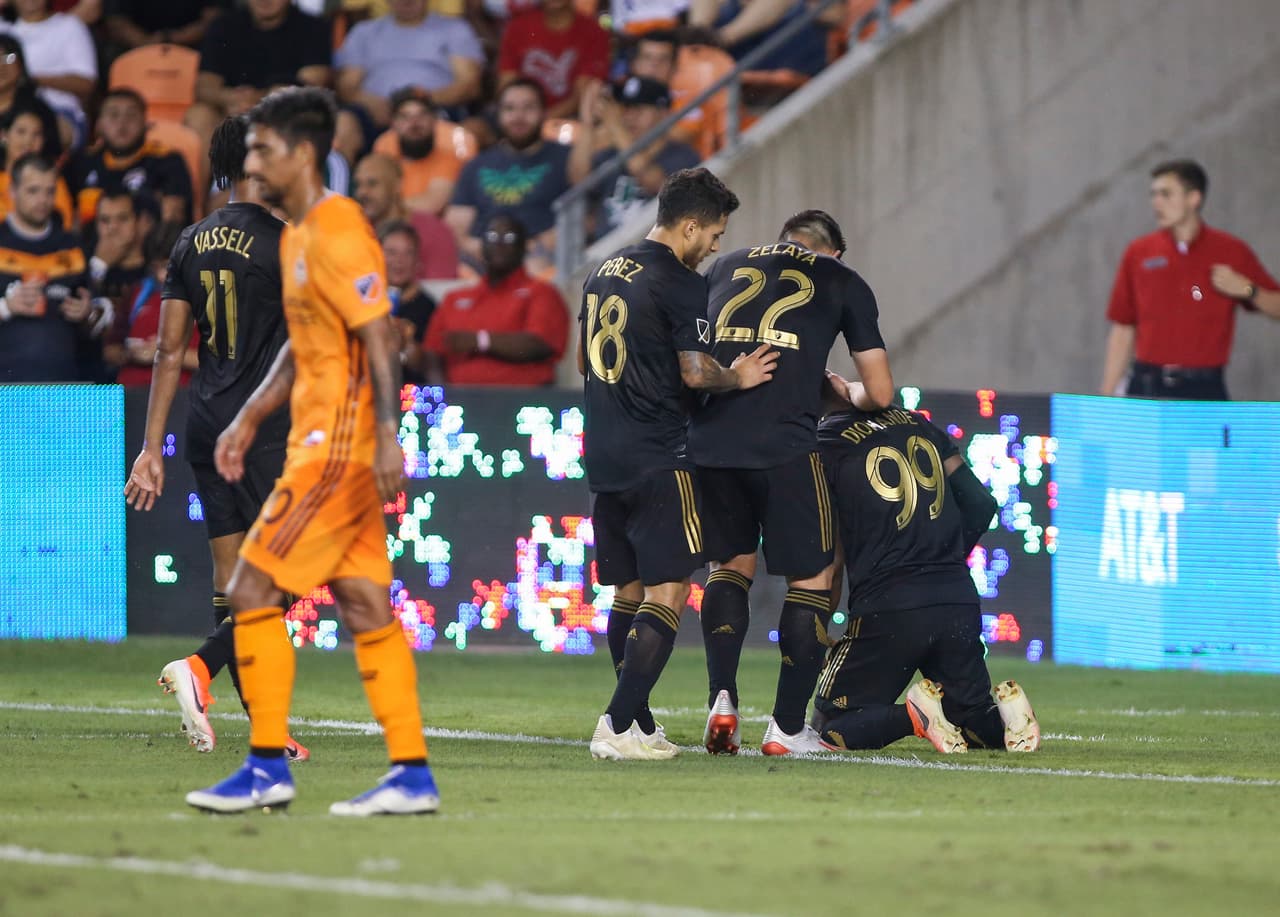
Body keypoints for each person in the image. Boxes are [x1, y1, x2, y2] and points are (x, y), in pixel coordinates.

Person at [184, 86, 438, 815]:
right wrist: (249, 416)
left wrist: (389, 432)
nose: (250, 159)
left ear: (299, 153)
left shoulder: (340, 229)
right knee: (365, 606)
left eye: (262, 147)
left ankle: (266, 766)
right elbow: (305, 343)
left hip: (335, 451)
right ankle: (412, 775)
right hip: (319, 441)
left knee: (253, 589)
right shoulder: (295, 236)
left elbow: (378, 334)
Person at [122, 115, 309, 760]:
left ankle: (264, 728)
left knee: (233, 582)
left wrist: (152, 449)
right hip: (263, 429)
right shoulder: (288, 244)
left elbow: (169, 352)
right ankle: (199, 668)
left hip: (204, 422)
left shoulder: (190, 241)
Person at [582, 167, 778, 761]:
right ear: (689, 225)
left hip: (606, 447)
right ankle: (616, 726)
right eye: (715, 233)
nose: (717, 245)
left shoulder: (603, 271)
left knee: (628, 592)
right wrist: (738, 375)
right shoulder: (680, 282)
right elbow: (696, 373)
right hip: (659, 453)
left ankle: (637, 724)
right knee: (668, 591)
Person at [688, 209, 893, 756]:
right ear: (836, 253)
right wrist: (842, 394)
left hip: (709, 442)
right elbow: (880, 392)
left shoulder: (723, 265)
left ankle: (722, 698)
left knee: (728, 570)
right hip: (785, 445)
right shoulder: (843, 280)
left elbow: (688, 354)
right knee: (814, 579)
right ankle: (785, 727)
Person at [808, 383, 1040, 755]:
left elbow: (829, 562)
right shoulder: (916, 422)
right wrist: (941, 558)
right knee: (970, 718)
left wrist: (817, 635)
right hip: (956, 597)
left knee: (828, 725)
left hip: (891, 604)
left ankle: (913, 716)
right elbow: (981, 503)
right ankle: (1006, 717)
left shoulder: (822, 445)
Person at [1101, 159, 1280, 400]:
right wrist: (1107, 396)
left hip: (1204, 387)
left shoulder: (1231, 251)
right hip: (1147, 385)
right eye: (1153, 194)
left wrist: (1248, 289)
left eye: (1166, 194)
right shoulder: (1139, 252)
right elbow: (1123, 327)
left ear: (1193, 198)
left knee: (1204, 438)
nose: (1156, 203)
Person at [419, 213, 567, 386]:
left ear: (523, 247)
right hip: (459, 404)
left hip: (524, 403)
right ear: (482, 246)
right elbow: (432, 352)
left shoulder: (542, 293)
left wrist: (480, 341)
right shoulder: (455, 298)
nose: (499, 244)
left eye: (509, 238)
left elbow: (540, 344)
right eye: (492, 237)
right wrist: (443, 396)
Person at [444, 79, 571, 272]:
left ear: (544, 112)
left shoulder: (565, 158)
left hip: (539, 255)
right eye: (509, 109)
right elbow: (456, 227)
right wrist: (488, 249)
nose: (518, 117)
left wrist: (530, 247)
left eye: (528, 108)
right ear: (498, 115)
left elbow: (583, 216)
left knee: (535, 267)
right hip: (483, 257)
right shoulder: (476, 165)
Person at [0, 152, 100, 382]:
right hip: (4, 388)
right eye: (33, 191)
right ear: (12, 192)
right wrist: (6, 307)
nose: (43, 200)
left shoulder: (73, 247)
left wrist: (88, 313)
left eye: (50, 191)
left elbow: (98, 313)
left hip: (63, 385)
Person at [570, 77, 700, 241]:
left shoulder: (683, 155)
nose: (630, 117)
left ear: (663, 113)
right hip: (607, 255)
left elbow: (652, 180)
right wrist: (587, 122)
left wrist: (615, 126)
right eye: (626, 109)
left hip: (652, 254)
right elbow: (578, 179)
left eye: (638, 109)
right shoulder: (613, 153)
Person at [335, 0, 484, 127]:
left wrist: (419, 103)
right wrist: (372, 103)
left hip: (438, 112)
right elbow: (347, 86)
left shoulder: (455, 29)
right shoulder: (363, 32)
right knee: (344, 122)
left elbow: (469, 85)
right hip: (376, 114)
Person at [67, 88, 195, 227]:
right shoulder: (81, 162)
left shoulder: (167, 161)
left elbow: (173, 221)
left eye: (131, 115)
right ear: (99, 125)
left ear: (145, 123)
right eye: (113, 115)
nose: (122, 123)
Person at [194, 0, 331, 119]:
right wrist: (231, 98)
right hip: (230, 113)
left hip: (285, 115)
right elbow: (204, 86)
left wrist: (257, 99)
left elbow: (311, 83)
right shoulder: (223, 26)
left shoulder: (314, 27)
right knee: (200, 115)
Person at [0, 0, 97, 146]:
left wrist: (32, 79)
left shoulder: (69, 26)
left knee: (31, 130)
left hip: (58, 110)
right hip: (7, 108)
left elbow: (86, 83)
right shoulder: (4, 29)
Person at [496, 0, 610, 121]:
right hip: (519, 118)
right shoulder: (517, 27)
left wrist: (537, 122)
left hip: (568, 118)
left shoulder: (593, 32)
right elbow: (506, 86)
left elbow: (582, 95)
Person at [371, 87, 476, 217]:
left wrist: (387, 207)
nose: (414, 123)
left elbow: (432, 204)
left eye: (422, 115)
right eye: (405, 116)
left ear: (434, 120)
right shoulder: (384, 156)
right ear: (394, 123)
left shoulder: (448, 158)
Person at [352, 152, 458, 279]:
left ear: (397, 185)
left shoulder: (434, 232)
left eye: (372, 183)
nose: (362, 192)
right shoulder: (353, 233)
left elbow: (439, 291)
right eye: (358, 184)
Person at [380, 220, 437, 385]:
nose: (399, 260)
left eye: (408, 253)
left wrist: (403, 341)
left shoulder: (428, 307)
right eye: (391, 252)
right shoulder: (363, 302)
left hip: (411, 397)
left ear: (418, 261)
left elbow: (426, 364)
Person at [0, 106, 72, 227]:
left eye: (37, 134)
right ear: (3, 135)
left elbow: (65, 224)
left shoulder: (53, 180)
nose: (28, 141)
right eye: (21, 131)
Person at [0, 34, 62, 164]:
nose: (1, 66)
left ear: (21, 64)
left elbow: (50, 155)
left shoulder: (38, 110)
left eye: (9, 58)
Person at [105, 0, 226, 50]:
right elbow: (116, 19)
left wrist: (172, 39)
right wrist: (147, 43)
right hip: (136, 48)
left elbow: (213, 18)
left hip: (193, 47)